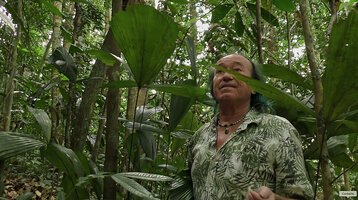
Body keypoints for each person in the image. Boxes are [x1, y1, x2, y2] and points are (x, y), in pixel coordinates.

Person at [188, 54, 314, 200]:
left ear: (254, 87)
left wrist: (274, 198)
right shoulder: (199, 136)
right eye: (220, 71)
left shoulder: (279, 129)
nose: (227, 76)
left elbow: (302, 197)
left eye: (237, 70)